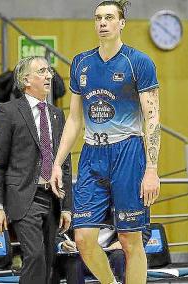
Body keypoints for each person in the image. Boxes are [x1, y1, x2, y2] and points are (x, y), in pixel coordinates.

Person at [51, 1, 160, 284]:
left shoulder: (139, 62)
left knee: (129, 238)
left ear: (121, 23)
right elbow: (74, 119)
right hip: (92, 153)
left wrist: (152, 169)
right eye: (98, 17)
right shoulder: (81, 62)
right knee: (83, 238)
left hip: (129, 152)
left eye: (109, 17)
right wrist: (57, 162)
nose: (102, 22)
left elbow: (152, 120)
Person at [0, 56, 72, 284]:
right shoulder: (8, 112)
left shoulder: (57, 114)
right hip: (25, 196)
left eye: (50, 71)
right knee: (34, 255)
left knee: (47, 260)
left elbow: (64, 163)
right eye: (42, 71)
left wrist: (67, 207)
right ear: (26, 79)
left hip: (53, 197)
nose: (49, 76)